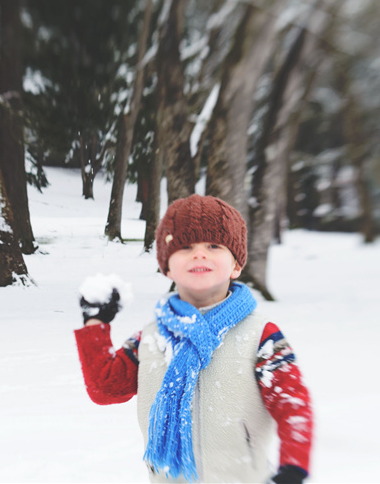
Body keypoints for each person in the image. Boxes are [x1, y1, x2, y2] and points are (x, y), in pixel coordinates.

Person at [74, 194, 313, 484]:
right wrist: (95, 323)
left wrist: (293, 469)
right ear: (167, 266)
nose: (199, 254)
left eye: (213, 245)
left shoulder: (259, 336)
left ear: (236, 265)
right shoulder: (150, 338)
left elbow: (293, 405)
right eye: (185, 247)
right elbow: (105, 388)